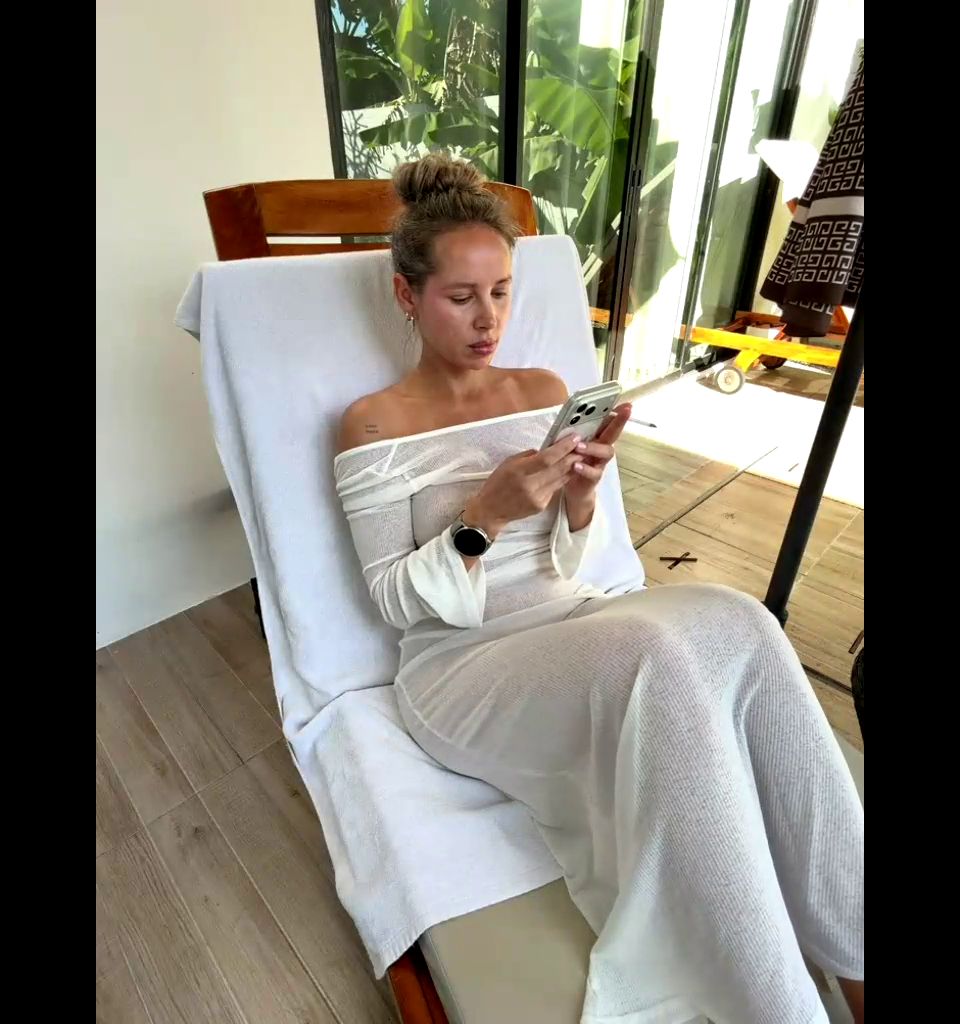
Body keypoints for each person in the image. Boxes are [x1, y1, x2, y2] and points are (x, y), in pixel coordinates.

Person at [334, 153, 863, 1024]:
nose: (488, 318)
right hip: (460, 668)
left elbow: (578, 558)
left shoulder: (543, 391)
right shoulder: (373, 424)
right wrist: (484, 516)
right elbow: (389, 600)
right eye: (461, 297)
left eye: (501, 291)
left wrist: (580, 496)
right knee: (649, 650)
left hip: (573, 620)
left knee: (743, 621)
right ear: (407, 295)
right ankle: (772, 1002)